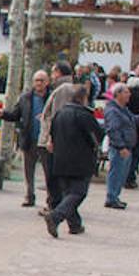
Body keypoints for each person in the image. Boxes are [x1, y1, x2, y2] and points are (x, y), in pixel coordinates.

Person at [44, 85, 102, 238]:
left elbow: (52, 135)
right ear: (84, 99)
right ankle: (55, 216)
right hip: (80, 161)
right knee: (78, 193)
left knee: (68, 194)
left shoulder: (60, 113)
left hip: (60, 160)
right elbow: (97, 136)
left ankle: (75, 225)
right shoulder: (84, 115)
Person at [0, 69, 51, 208]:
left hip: (46, 140)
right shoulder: (25, 98)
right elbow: (15, 115)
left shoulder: (52, 97)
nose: (39, 83)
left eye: (41, 80)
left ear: (47, 82)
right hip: (29, 138)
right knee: (28, 170)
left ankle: (51, 199)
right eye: (36, 80)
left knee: (49, 172)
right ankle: (29, 196)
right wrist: (2, 114)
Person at [103, 82, 139, 209]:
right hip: (119, 148)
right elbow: (112, 130)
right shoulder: (113, 111)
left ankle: (114, 197)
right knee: (116, 173)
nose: (130, 95)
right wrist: (121, 146)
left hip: (126, 147)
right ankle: (111, 198)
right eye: (126, 92)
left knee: (121, 174)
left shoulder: (123, 109)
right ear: (118, 94)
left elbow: (133, 121)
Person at [36, 61, 78, 213]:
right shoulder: (63, 88)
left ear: (59, 73)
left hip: (52, 141)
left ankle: (55, 206)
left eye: (53, 72)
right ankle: (54, 204)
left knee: (52, 177)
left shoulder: (63, 89)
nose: (51, 76)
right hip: (53, 138)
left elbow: (58, 115)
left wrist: (51, 138)